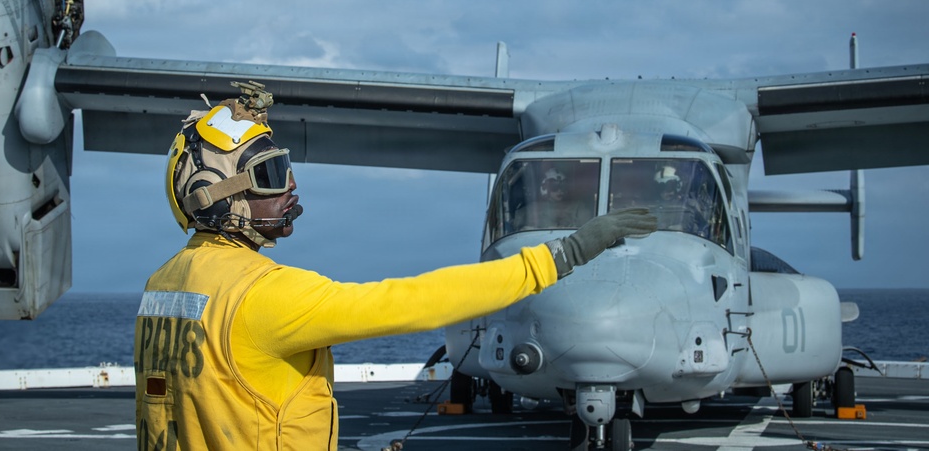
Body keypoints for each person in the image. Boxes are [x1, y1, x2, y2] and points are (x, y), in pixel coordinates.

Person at [135, 83, 657, 451]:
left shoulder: (164, 285)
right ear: (215, 197)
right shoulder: (266, 296)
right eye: (270, 174)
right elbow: (411, 301)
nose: (290, 186)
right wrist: (561, 256)